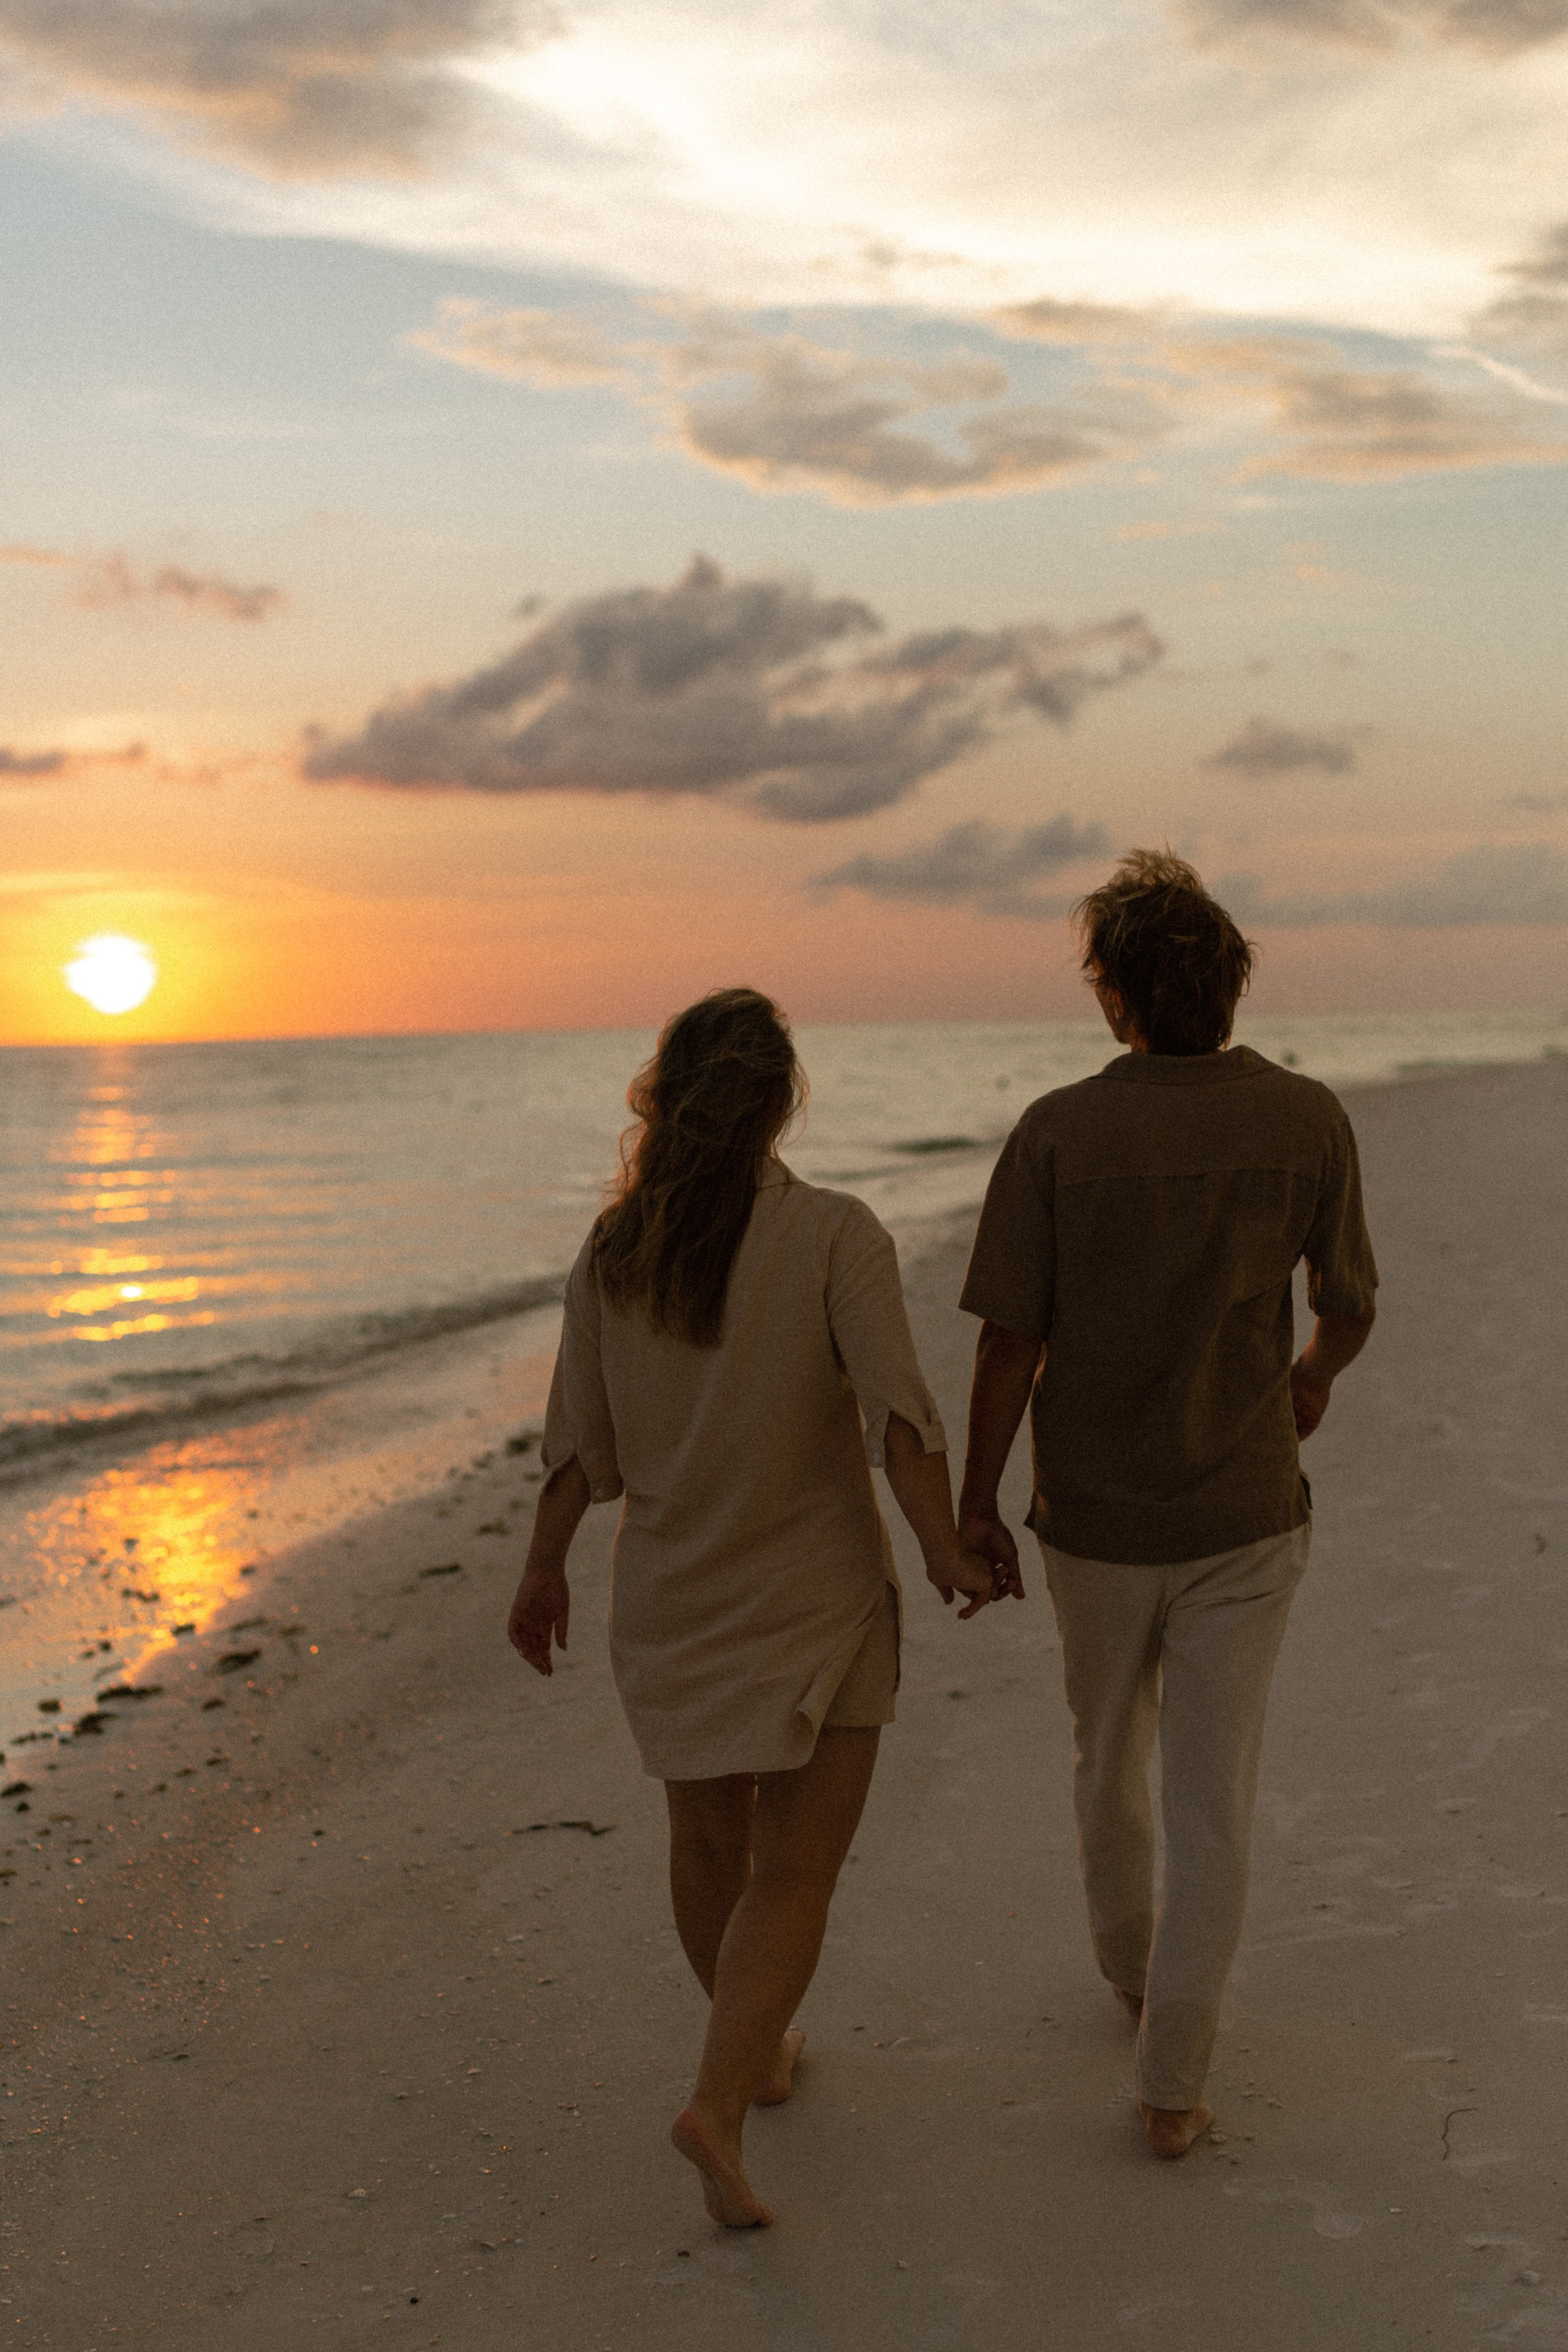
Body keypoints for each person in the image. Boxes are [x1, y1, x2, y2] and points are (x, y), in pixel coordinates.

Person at [508, 988, 1007, 2228]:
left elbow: (577, 1446)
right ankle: (719, 2101)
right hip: (817, 1599)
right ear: (781, 1101)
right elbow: (898, 1416)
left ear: (662, 1100)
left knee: (706, 1846)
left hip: (670, 1601)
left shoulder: (611, 1254)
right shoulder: (834, 1234)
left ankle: (757, 2055)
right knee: (790, 1873)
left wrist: (541, 1570)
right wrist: (942, 1549)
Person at [957, 850, 1378, 2159]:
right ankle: (1170, 2083)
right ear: (1228, 988)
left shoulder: (1056, 1133)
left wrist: (973, 1503)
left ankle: (1132, 1975)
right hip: (1245, 1511)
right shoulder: (1306, 1120)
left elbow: (1005, 1347)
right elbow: (1350, 1304)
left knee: (1104, 1758)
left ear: (1114, 997)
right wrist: (1307, 1379)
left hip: (1090, 1515)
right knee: (1212, 1796)